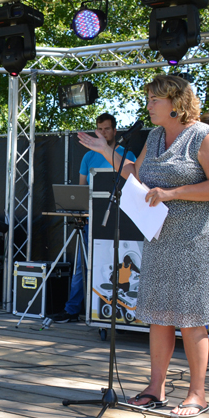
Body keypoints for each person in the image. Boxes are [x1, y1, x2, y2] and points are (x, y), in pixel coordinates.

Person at [78, 75, 209, 418]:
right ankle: (155, 388)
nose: (148, 107)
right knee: (159, 315)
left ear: (175, 102)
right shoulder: (156, 136)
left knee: (191, 317)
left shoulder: (204, 137)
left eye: (153, 101)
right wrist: (106, 150)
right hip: (159, 237)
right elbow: (137, 174)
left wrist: (172, 194)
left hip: (193, 241)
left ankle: (197, 394)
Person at [49, 113, 137, 324]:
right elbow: (82, 191)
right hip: (92, 221)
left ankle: (123, 311)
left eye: (106, 129)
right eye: (99, 129)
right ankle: (72, 310)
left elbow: (134, 186)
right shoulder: (88, 157)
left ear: (115, 131)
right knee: (83, 265)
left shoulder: (127, 155)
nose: (103, 133)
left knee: (118, 265)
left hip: (119, 222)